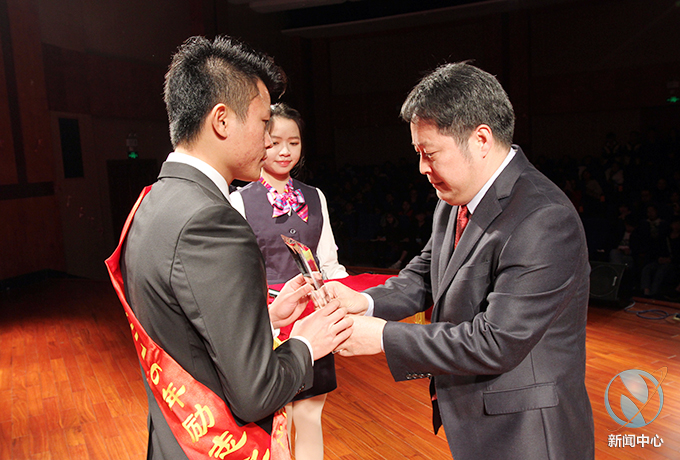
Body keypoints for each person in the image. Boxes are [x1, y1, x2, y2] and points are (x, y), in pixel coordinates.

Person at [329, 62, 594, 460]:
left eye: (430, 153)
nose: (422, 167)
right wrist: (365, 302)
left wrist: (382, 336)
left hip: (527, 432)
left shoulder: (543, 217)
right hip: (477, 417)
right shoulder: (455, 197)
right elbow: (427, 272)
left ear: (481, 139)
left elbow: (497, 341)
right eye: (418, 153)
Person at [117, 36, 352, 460]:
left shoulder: (154, 201)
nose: (268, 141)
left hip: (174, 439)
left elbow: (187, 327)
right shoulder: (214, 221)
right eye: (263, 123)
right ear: (222, 121)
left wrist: (264, 317)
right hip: (215, 446)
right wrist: (305, 343)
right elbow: (256, 393)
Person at [230, 103, 347, 460]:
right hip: (268, 320)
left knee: (311, 414)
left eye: (293, 143)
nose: (284, 151)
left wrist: (347, 302)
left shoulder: (315, 196)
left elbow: (329, 262)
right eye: (274, 142)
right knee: (277, 420)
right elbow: (238, 272)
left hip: (312, 316)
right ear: (259, 143)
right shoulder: (239, 200)